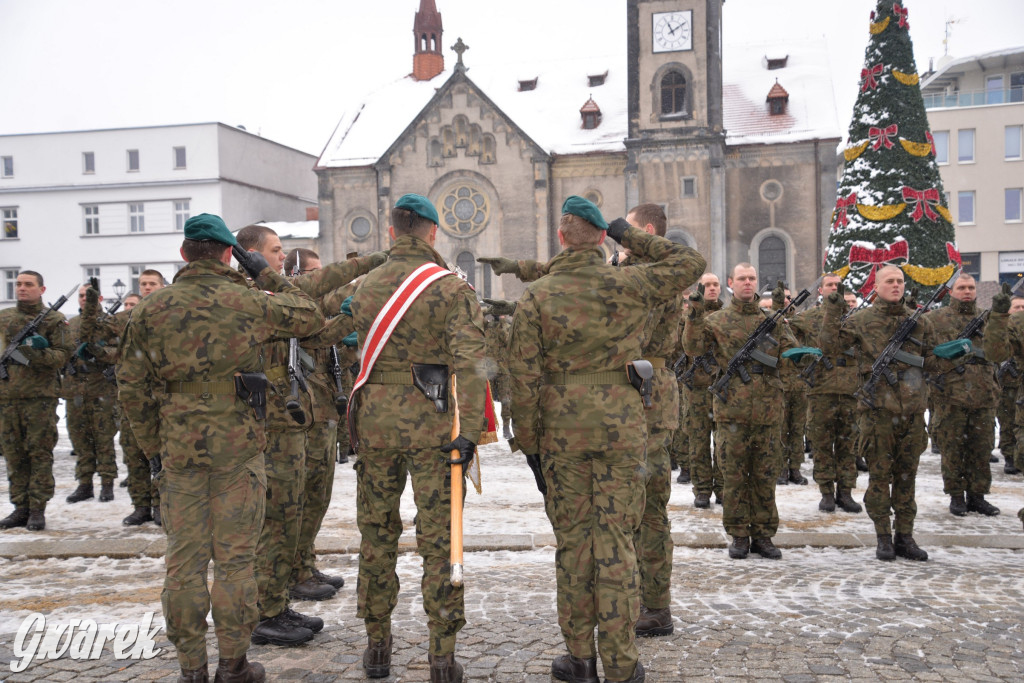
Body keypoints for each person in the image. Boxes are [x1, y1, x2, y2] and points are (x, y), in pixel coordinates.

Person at [117, 213, 325, 682]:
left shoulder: (149, 310)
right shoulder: (247, 299)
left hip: (179, 452)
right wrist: (265, 271)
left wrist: (155, 446)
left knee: (185, 564)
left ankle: (192, 667)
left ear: (185, 253)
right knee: (235, 563)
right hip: (238, 449)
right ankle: (234, 664)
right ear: (231, 253)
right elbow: (309, 315)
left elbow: (130, 389)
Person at [509, 196, 704, 683]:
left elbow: (522, 379)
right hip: (622, 429)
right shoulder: (630, 283)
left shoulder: (538, 295)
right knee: (616, 539)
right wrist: (629, 233)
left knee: (573, 543)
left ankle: (579, 657)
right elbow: (689, 263)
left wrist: (530, 444)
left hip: (561, 434)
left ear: (560, 237)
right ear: (603, 238)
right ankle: (621, 662)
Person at [347, 193, 487, 683]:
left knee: (376, 536)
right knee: (440, 539)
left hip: (376, 428)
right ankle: (442, 655)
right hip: (434, 428)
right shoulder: (450, 289)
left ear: (391, 232)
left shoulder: (363, 286)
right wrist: (470, 431)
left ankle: (377, 646)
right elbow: (473, 363)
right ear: (432, 231)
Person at [235, 224, 384, 645]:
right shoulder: (255, 298)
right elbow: (317, 302)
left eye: (282, 251)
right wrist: (373, 263)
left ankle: (276, 600)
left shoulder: (272, 296)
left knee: (294, 511)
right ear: (253, 256)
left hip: (291, 417)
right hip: (272, 422)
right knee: (277, 520)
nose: (281, 257)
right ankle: (266, 609)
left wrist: (348, 313)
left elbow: (316, 328)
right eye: (275, 251)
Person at [819, 266, 947, 561]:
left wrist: (946, 357)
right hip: (878, 413)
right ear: (876, 286)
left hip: (913, 414)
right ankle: (883, 536)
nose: (896, 286)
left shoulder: (920, 322)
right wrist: (832, 310)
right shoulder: (862, 321)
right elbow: (829, 346)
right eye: (889, 281)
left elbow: (933, 361)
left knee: (907, 477)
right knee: (880, 477)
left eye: (900, 281)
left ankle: (905, 536)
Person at [684, 266, 797, 561]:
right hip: (732, 411)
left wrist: (778, 364)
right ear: (732, 284)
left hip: (768, 411)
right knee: (733, 475)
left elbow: (791, 355)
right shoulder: (717, 320)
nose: (748, 283)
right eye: (742, 279)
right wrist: (694, 316)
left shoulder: (772, 321)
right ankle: (738, 534)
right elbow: (693, 348)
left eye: (752, 279)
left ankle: (763, 534)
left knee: (765, 474)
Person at [282, 247, 348, 599]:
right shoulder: (299, 310)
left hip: (324, 411)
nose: (323, 280)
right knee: (303, 499)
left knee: (318, 497)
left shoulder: (319, 309)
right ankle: (294, 572)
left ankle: (305, 562)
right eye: (315, 272)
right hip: (306, 414)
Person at [0, 271, 72, 532]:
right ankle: (20, 507)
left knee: (39, 454)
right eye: (18, 284)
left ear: (41, 289)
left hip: (40, 399)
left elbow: (62, 357)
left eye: (28, 285)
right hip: (7, 398)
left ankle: (37, 508)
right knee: (13, 454)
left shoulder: (54, 320)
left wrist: (35, 352)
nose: (22, 288)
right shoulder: (4, 317)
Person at [923, 274, 1000, 517]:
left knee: (982, 448)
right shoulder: (935, 319)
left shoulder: (988, 319)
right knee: (952, 447)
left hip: (984, 393)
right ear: (951, 291)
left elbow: (1000, 350)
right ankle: (956, 495)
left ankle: (977, 496)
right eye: (961, 287)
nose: (967, 292)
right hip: (950, 394)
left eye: (971, 287)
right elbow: (927, 354)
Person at [794, 274, 862, 514]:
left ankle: (845, 491)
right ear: (820, 291)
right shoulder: (808, 318)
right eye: (829, 285)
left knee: (848, 444)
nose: (834, 288)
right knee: (822, 444)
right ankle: (826, 492)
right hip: (821, 389)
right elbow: (790, 344)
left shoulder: (856, 319)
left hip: (850, 389)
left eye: (837, 285)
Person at [63, 284, 120, 505]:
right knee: (79, 440)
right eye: (81, 296)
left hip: (102, 390)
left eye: (89, 296)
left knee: (104, 439)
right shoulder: (70, 325)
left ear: (100, 298)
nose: (84, 299)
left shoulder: (109, 324)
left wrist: (98, 353)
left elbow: (118, 351)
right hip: (75, 390)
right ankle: (84, 483)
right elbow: (62, 351)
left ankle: (107, 483)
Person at [681, 272, 724, 507]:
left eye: (715, 284)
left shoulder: (727, 316)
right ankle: (702, 489)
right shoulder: (687, 317)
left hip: (722, 388)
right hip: (696, 388)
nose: (712, 288)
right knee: (698, 442)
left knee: (723, 442)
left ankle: (723, 487)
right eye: (707, 285)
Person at [995, 295, 1024, 476]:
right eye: (1016, 307)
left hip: (1020, 385)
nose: (1020, 310)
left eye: (1023, 307)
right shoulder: (1001, 330)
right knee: (1007, 421)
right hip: (1006, 385)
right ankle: (1009, 456)